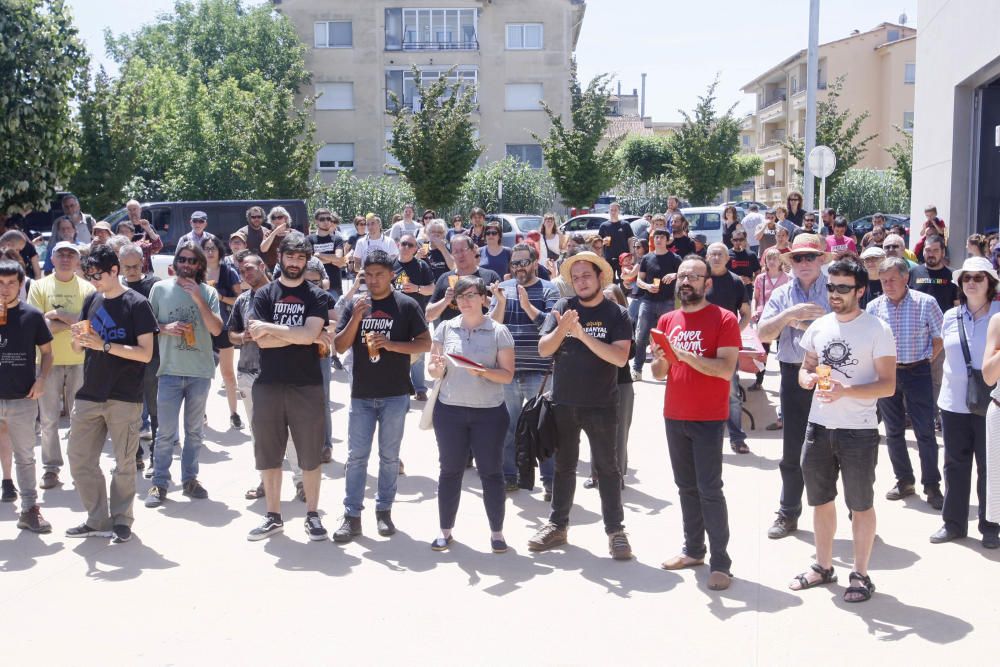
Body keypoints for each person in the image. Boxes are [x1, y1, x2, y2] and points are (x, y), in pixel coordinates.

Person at [789, 256, 896, 603]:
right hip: (818, 427)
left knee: (861, 504)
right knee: (820, 501)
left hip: (858, 431)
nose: (834, 293)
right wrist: (807, 380)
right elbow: (805, 369)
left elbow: (888, 386)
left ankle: (861, 574)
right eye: (831, 286)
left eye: (843, 288)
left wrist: (846, 391)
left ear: (861, 290)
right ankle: (823, 566)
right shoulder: (819, 327)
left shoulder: (877, 329)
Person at [529, 251, 633, 560]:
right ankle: (557, 526)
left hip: (602, 404)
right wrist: (563, 330)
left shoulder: (617, 314)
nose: (581, 282)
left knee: (608, 469)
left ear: (600, 277)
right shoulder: (563, 308)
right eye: (575, 278)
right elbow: (543, 349)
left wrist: (582, 334)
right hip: (564, 403)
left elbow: (619, 357)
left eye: (586, 276)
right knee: (563, 467)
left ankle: (616, 531)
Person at [652, 254, 740, 591]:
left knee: (710, 490)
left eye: (694, 276)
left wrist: (683, 354)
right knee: (685, 487)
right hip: (675, 413)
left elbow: (724, 369)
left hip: (708, 416)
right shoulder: (668, 319)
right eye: (683, 276)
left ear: (708, 283)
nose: (686, 281)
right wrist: (662, 359)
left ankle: (721, 562)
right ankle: (693, 550)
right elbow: (661, 373)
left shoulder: (724, 319)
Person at [333, 250, 431, 542]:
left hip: (395, 393)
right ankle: (352, 515)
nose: (373, 280)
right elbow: (338, 346)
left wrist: (390, 344)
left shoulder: (406, 305)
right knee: (356, 457)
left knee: (389, 458)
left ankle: (384, 511)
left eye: (379, 274)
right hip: (362, 394)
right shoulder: (355, 304)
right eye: (368, 274)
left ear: (391, 275)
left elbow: (424, 344)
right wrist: (356, 318)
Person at [65, 245, 157, 543]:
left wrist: (104, 344)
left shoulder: (137, 303)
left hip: (124, 396)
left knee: (124, 463)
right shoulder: (91, 299)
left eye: (98, 275)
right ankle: (97, 519)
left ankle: (121, 520)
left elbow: (145, 354)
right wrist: (79, 340)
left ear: (114, 270)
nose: (93, 280)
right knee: (79, 459)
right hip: (90, 393)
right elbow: (79, 347)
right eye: (89, 274)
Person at [244, 233, 331, 541]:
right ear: (279, 256)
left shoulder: (316, 295)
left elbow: (309, 336)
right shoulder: (265, 294)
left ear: (307, 260)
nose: (295, 263)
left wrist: (272, 328)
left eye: (301, 258)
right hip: (268, 383)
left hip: (306, 384)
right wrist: (297, 334)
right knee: (269, 453)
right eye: (290, 257)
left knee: (309, 454)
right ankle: (272, 515)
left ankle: (312, 515)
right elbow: (262, 341)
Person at [426, 276, 514, 552]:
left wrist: (484, 371)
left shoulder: (499, 331)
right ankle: (445, 531)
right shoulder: (445, 329)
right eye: (461, 296)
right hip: (449, 411)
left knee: (491, 473)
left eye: (471, 295)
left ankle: (497, 534)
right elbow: (433, 369)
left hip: (489, 414)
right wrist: (436, 368)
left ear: (482, 298)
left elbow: (508, 376)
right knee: (450, 472)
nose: (465, 301)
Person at [757, 234, 831, 537]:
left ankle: (854, 511)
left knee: (836, 446)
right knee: (792, 447)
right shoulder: (783, 294)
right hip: (791, 372)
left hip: (830, 373)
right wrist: (789, 315)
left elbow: (847, 325)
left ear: (821, 260)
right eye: (798, 258)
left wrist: (804, 325)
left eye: (810, 257)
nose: (803, 263)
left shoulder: (836, 287)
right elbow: (762, 332)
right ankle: (788, 512)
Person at [144, 241, 223, 508]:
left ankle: (190, 479)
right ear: (175, 263)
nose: (187, 265)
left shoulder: (207, 292)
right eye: (183, 260)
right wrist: (165, 328)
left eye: (192, 261)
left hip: (200, 372)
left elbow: (215, 329)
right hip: (168, 371)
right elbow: (147, 325)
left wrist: (198, 299)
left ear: (199, 265)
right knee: (165, 432)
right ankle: (159, 483)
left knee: (194, 431)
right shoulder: (159, 288)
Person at [929, 257, 1000, 548]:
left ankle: (990, 525)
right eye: (966, 278)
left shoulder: (998, 315)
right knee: (954, 465)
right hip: (953, 403)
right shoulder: (950, 316)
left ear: (990, 283)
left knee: (990, 466)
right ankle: (954, 523)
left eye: (978, 277)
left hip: (990, 404)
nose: (971, 282)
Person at [867, 256, 944, 508]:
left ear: (905, 278)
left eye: (892, 279)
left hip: (918, 372)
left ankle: (932, 484)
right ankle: (904, 480)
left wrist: (925, 360)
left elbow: (938, 337)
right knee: (893, 431)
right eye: (883, 280)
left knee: (924, 431)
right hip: (887, 375)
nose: (887, 285)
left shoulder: (926, 302)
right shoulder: (874, 307)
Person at [490, 243, 559, 496]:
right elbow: (492, 327)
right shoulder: (503, 289)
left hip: (541, 372)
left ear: (534, 262)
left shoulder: (549, 289)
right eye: (515, 263)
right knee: (509, 425)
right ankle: (510, 475)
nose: (519, 267)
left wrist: (527, 304)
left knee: (544, 427)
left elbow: (551, 326)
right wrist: (499, 302)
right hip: (508, 371)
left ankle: (549, 479)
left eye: (524, 262)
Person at [28, 241, 94, 490]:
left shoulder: (88, 289)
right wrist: (74, 322)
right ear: (52, 259)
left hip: (80, 360)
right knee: (48, 419)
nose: (66, 258)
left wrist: (59, 315)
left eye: (71, 254)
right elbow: (38, 327)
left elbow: (89, 325)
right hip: (47, 360)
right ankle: (51, 469)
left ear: (78, 260)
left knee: (81, 419)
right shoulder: (39, 286)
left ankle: (79, 467)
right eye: (61, 254)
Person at [0, 258, 54, 533]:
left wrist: (42, 379)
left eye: (11, 283)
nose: (5, 289)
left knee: (25, 456)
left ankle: (30, 509)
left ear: (21, 285)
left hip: (22, 397)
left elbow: (47, 353)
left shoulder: (31, 315)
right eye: (0, 283)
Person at [705, 242, 752, 454]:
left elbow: (746, 314)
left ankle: (737, 438)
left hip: (727, 349)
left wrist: (734, 334)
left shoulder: (735, 282)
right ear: (706, 257)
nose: (716, 257)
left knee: (732, 393)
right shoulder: (699, 280)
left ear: (727, 258)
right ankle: (703, 438)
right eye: (712, 254)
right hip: (700, 345)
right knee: (701, 392)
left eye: (720, 254)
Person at [118, 244, 160, 470]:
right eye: (127, 267)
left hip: (152, 357)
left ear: (143, 262)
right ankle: (135, 454)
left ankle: (157, 457)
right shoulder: (116, 286)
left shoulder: (154, 285)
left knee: (155, 410)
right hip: (123, 357)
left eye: (136, 266)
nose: (132, 271)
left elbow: (159, 320)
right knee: (128, 410)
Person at [911, 234, 959, 429]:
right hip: (914, 335)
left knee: (936, 379)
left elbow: (957, 307)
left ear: (943, 252)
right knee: (913, 377)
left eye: (935, 250)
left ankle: (934, 417)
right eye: (927, 250)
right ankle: (914, 416)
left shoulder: (952, 277)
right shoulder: (914, 272)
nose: (930, 254)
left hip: (941, 337)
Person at [203, 236, 243, 428]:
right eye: (206, 248)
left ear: (219, 251)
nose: (210, 252)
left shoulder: (229, 272)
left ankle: (234, 413)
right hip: (202, 328)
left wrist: (220, 297)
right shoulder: (197, 273)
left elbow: (240, 299)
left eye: (213, 248)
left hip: (225, 326)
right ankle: (200, 413)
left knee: (227, 372)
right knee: (202, 372)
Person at [632, 229, 680, 381]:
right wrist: (647, 286)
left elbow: (686, 275)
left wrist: (675, 275)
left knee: (668, 338)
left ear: (667, 240)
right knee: (641, 336)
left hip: (668, 302)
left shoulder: (675, 258)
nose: (658, 240)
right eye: (656, 237)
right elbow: (639, 280)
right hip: (648, 301)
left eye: (661, 237)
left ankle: (669, 369)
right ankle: (637, 369)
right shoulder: (647, 258)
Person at [393, 233, 435, 401]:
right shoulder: (390, 265)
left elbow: (432, 288)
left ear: (416, 249)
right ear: (398, 245)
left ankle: (420, 388)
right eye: (404, 243)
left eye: (410, 245)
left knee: (419, 352)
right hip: (395, 314)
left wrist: (417, 288)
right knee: (396, 350)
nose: (406, 247)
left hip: (416, 314)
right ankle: (400, 386)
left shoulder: (421, 266)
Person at [426, 235, 501, 324]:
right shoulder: (444, 278)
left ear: (473, 251)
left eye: (463, 250)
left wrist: (482, 298)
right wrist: (445, 301)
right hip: (453, 334)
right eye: (456, 252)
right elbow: (429, 316)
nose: (460, 255)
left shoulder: (490, 276)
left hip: (483, 333)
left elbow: (503, 309)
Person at [751, 247, 790, 389]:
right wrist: (754, 310)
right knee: (762, 353)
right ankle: (758, 380)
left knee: (783, 352)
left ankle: (784, 384)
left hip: (782, 320)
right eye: (769, 259)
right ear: (765, 261)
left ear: (781, 261)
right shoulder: (760, 279)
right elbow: (755, 298)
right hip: (764, 319)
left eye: (775, 259)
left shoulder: (788, 279)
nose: (772, 262)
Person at [118, 200, 163, 272]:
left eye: (134, 209)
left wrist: (148, 229)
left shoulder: (147, 226)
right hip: (127, 270)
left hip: (145, 270)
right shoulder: (123, 227)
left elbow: (157, 246)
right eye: (130, 210)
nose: (132, 212)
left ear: (140, 210)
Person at [598, 202, 634, 283]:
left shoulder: (625, 224)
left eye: (615, 210)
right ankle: (612, 296)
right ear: (609, 211)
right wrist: (601, 254)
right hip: (609, 257)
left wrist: (632, 254)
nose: (613, 212)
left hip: (624, 258)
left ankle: (624, 295)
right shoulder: (604, 226)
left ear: (619, 211)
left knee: (625, 280)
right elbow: (599, 242)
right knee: (610, 281)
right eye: (611, 210)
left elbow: (630, 240)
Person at [728, 231, 761, 303]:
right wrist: (736, 279)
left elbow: (758, 273)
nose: (738, 242)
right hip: (730, 293)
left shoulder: (751, 255)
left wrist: (751, 280)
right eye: (735, 240)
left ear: (745, 240)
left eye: (741, 239)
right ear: (731, 241)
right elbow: (722, 272)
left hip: (747, 293)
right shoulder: (727, 255)